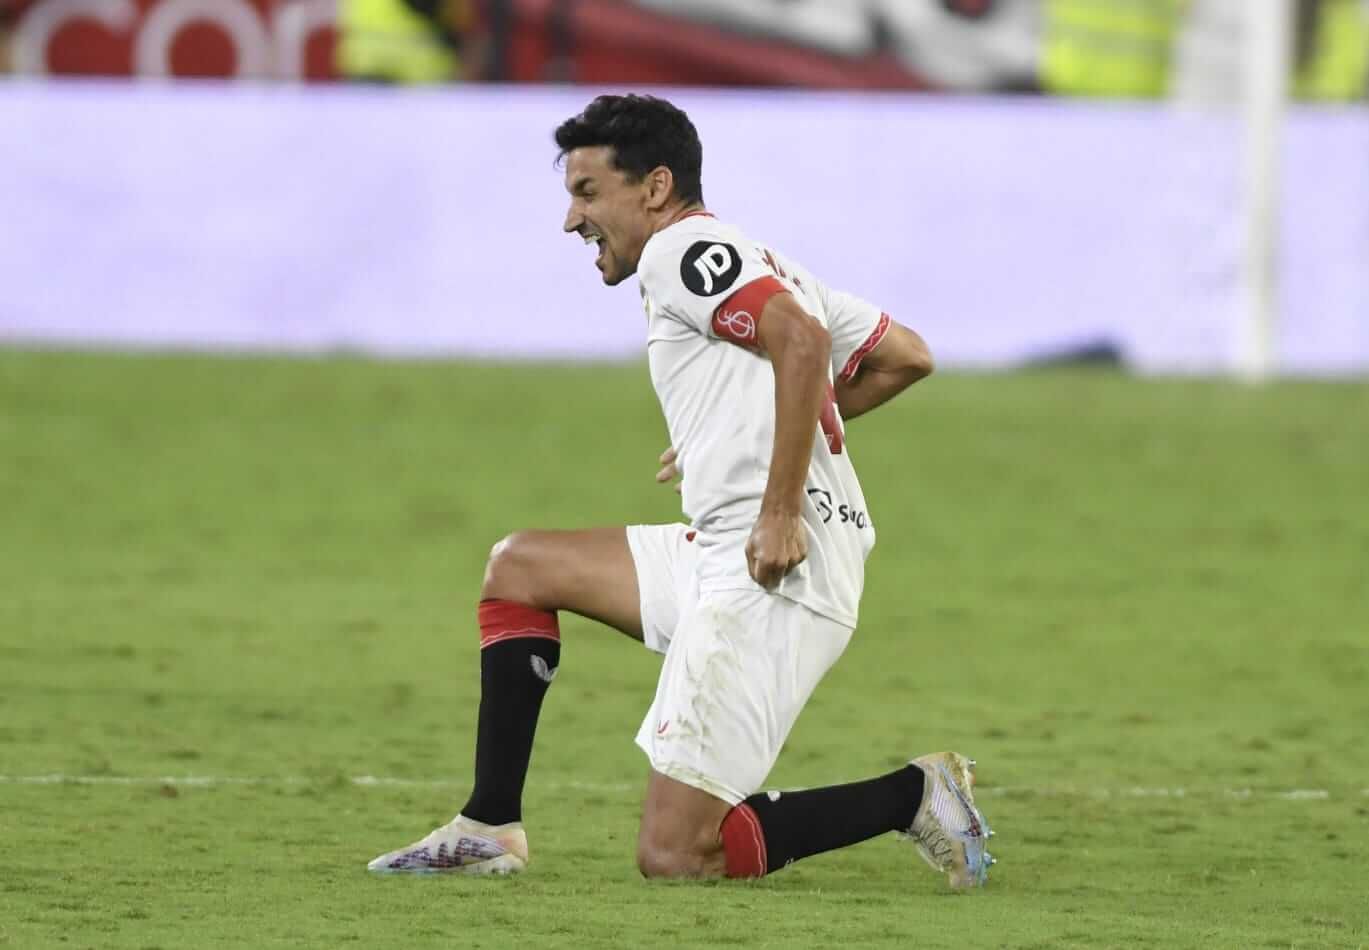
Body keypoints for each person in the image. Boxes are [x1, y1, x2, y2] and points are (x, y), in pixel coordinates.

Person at [367, 94, 995, 886]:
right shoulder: (764, 258)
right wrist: (748, 435)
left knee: (677, 855)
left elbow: (798, 340)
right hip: (726, 546)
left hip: (772, 570)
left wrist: (777, 510)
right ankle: (488, 825)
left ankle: (912, 795)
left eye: (588, 193)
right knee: (520, 567)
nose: (571, 220)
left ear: (656, 187)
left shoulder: (680, 251)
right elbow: (904, 356)